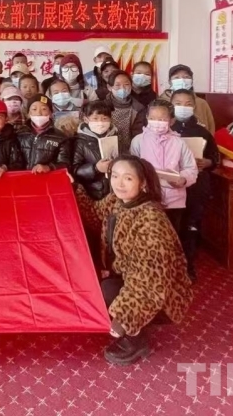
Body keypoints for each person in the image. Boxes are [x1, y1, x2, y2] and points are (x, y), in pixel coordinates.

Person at [74, 155, 193, 365]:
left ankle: (136, 339)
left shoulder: (151, 221)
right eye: (115, 176)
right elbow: (93, 214)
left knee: (106, 290)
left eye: (128, 178)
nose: (119, 183)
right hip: (130, 278)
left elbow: (150, 282)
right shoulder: (117, 201)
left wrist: (125, 317)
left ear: (143, 182)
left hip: (160, 295)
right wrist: (73, 188)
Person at [170, 89, 220, 281]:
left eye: (188, 104)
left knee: (191, 225)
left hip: (196, 186)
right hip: (172, 185)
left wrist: (207, 162)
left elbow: (215, 157)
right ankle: (171, 265)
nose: (183, 107)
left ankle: (188, 266)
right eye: (178, 103)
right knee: (173, 225)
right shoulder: (166, 130)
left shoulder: (202, 131)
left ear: (194, 106)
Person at [130, 100, 198, 231]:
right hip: (146, 199)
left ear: (171, 121)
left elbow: (191, 168)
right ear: (147, 118)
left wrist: (183, 179)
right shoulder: (138, 141)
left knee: (172, 234)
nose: (157, 122)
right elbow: (133, 169)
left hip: (174, 200)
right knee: (148, 234)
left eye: (162, 119)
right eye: (152, 118)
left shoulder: (179, 143)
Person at [70, 101, 118, 200]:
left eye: (104, 118)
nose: (100, 122)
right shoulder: (79, 142)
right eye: (95, 118)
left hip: (115, 191)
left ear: (110, 119)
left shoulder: (116, 137)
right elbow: (74, 171)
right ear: (86, 119)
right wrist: (96, 169)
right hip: (92, 193)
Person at [17, 96, 71, 172]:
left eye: (44, 109)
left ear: (51, 113)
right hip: (22, 178)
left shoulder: (61, 138)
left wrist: (49, 167)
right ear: (29, 113)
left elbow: (65, 163)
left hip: (46, 178)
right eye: (34, 109)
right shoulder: (19, 134)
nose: (39, 113)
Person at [160, 64, 216, 133]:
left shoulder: (202, 103)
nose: (182, 80)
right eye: (176, 77)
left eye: (186, 77)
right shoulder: (161, 103)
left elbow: (210, 128)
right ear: (170, 81)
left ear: (191, 81)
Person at [105, 70, 147, 153]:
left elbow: (137, 133)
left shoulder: (139, 108)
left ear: (131, 86)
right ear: (109, 87)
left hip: (130, 150)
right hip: (108, 149)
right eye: (117, 85)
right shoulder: (102, 106)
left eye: (126, 84)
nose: (123, 88)